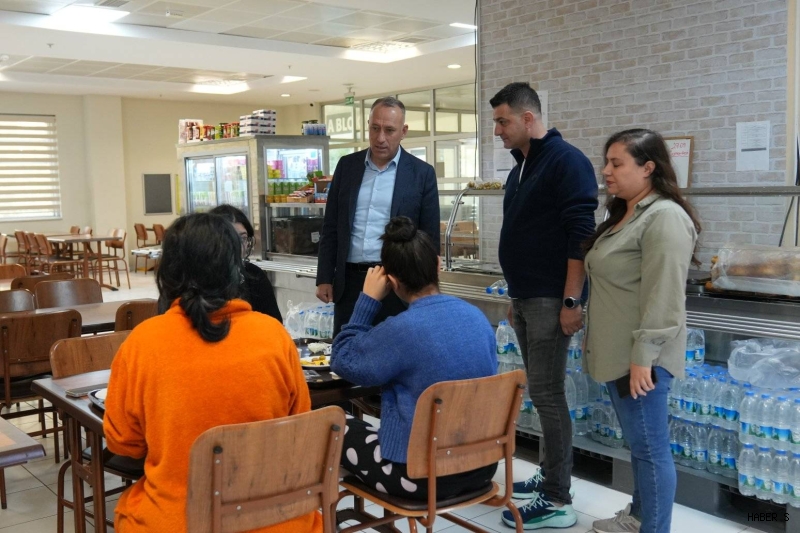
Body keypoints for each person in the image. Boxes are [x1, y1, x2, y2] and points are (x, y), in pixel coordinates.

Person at [103, 213, 318, 533]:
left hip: (180, 522)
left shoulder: (143, 342)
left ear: (168, 271)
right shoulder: (273, 335)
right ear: (235, 268)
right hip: (277, 520)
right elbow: (299, 429)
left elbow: (124, 444)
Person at [491, 82, 598, 530]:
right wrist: (515, 293)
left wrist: (571, 300)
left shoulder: (565, 161)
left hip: (552, 299)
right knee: (540, 394)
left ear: (528, 118)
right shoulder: (522, 167)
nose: (497, 130)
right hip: (527, 297)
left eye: (503, 121)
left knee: (549, 396)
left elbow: (580, 236)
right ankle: (549, 475)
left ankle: (557, 497)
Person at [583, 129, 700, 533]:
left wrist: (643, 358)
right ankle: (638, 518)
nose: (606, 171)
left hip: (641, 361)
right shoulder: (626, 214)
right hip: (619, 356)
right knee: (640, 447)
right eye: (606, 162)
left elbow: (664, 297)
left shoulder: (665, 217)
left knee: (651, 452)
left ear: (648, 168)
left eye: (617, 163)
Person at [331, 216, 497, 499]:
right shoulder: (477, 317)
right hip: (482, 466)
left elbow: (342, 358)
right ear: (438, 265)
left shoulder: (402, 330)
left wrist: (368, 300)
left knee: (333, 424)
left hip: (420, 476)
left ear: (392, 282)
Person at [316, 96, 440, 337]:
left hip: (397, 283)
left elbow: (429, 237)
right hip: (349, 283)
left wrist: (426, 290)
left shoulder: (421, 173)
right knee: (347, 350)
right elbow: (331, 226)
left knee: (396, 353)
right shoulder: (347, 166)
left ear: (403, 131)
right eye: (375, 128)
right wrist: (324, 277)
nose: (380, 138)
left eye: (389, 130)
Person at [209, 204, 282, 322]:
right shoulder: (203, 278)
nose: (238, 245)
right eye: (230, 238)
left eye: (242, 238)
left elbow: (274, 322)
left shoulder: (254, 274)